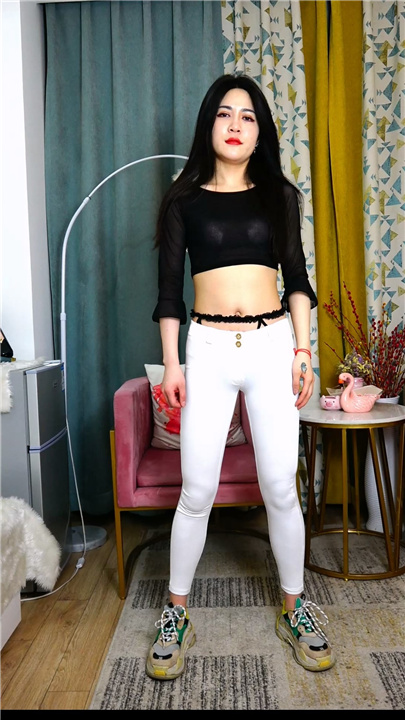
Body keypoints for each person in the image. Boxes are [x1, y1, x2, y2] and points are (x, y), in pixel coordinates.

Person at [147, 73, 336, 680]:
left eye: (248, 116)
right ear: (209, 125)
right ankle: (176, 613)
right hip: (206, 349)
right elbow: (169, 295)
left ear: (260, 132)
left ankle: (295, 608)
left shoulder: (279, 196)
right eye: (225, 114)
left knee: (280, 486)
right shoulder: (183, 200)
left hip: (271, 346)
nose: (235, 125)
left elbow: (298, 281)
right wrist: (172, 363)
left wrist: (303, 351)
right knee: (196, 490)